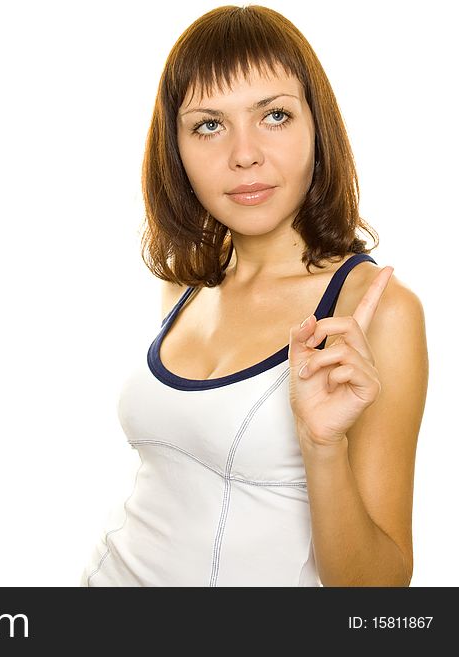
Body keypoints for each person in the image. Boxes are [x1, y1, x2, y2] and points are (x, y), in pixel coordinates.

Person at [79, 5, 428, 587]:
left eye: (274, 115)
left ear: (317, 125)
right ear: (177, 147)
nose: (244, 153)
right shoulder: (186, 285)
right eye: (208, 125)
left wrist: (323, 445)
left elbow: (377, 594)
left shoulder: (377, 311)